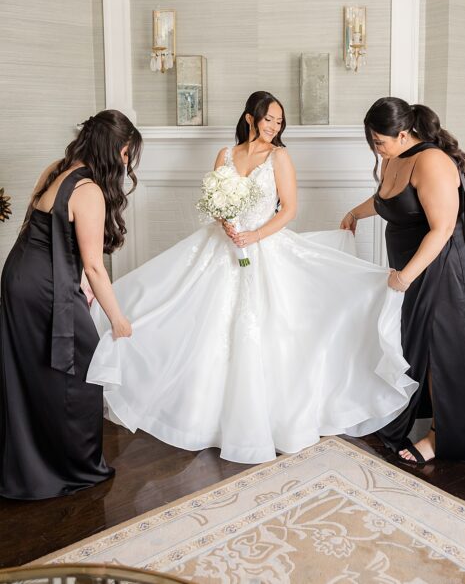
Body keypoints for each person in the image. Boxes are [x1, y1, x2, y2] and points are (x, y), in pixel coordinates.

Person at [86, 91, 416, 464]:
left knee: (266, 329)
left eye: (279, 121)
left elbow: (289, 210)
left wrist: (253, 236)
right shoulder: (224, 156)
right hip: (221, 247)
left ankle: (267, 419)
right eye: (269, 119)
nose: (274, 127)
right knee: (191, 316)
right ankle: (203, 415)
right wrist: (224, 220)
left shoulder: (280, 157)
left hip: (264, 247)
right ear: (249, 118)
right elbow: (215, 202)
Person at [342, 97, 465, 464]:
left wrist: (406, 276)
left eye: (380, 141)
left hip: (443, 272)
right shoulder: (395, 159)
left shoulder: (432, 161)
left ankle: (440, 438)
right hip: (412, 271)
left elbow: (442, 229)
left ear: (404, 132)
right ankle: (411, 416)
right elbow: (386, 200)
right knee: (417, 348)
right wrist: (355, 213)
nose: (377, 150)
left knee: (445, 353)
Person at [1, 110, 141, 499]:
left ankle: (29, 466)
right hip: (45, 286)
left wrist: (74, 275)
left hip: (18, 275)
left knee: (29, 372)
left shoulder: (55, 169)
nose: (127, 163)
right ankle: (75, 467)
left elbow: (45, 229)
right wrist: (118, 319)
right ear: (118, 149)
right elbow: (95, 265)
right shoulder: (90, 191)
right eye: (128, 154)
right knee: (78, 372)